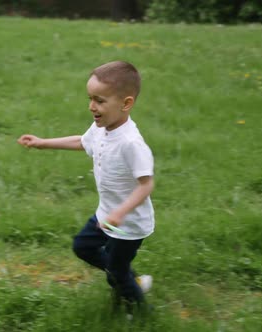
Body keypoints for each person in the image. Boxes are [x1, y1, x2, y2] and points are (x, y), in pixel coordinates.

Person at [17, 60, 155, 313]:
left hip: (129, 224)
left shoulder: (131, 144)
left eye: (100, 101)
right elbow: (82, 142)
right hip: (106, 215)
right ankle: (128, 279)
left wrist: (120, 213)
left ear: (125, 104)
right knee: (83, 246)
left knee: (116, 270)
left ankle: (141, 312)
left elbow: (146, 185)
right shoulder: (101, 128)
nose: (92, 106)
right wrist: (42, 142)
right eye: (90, 98)